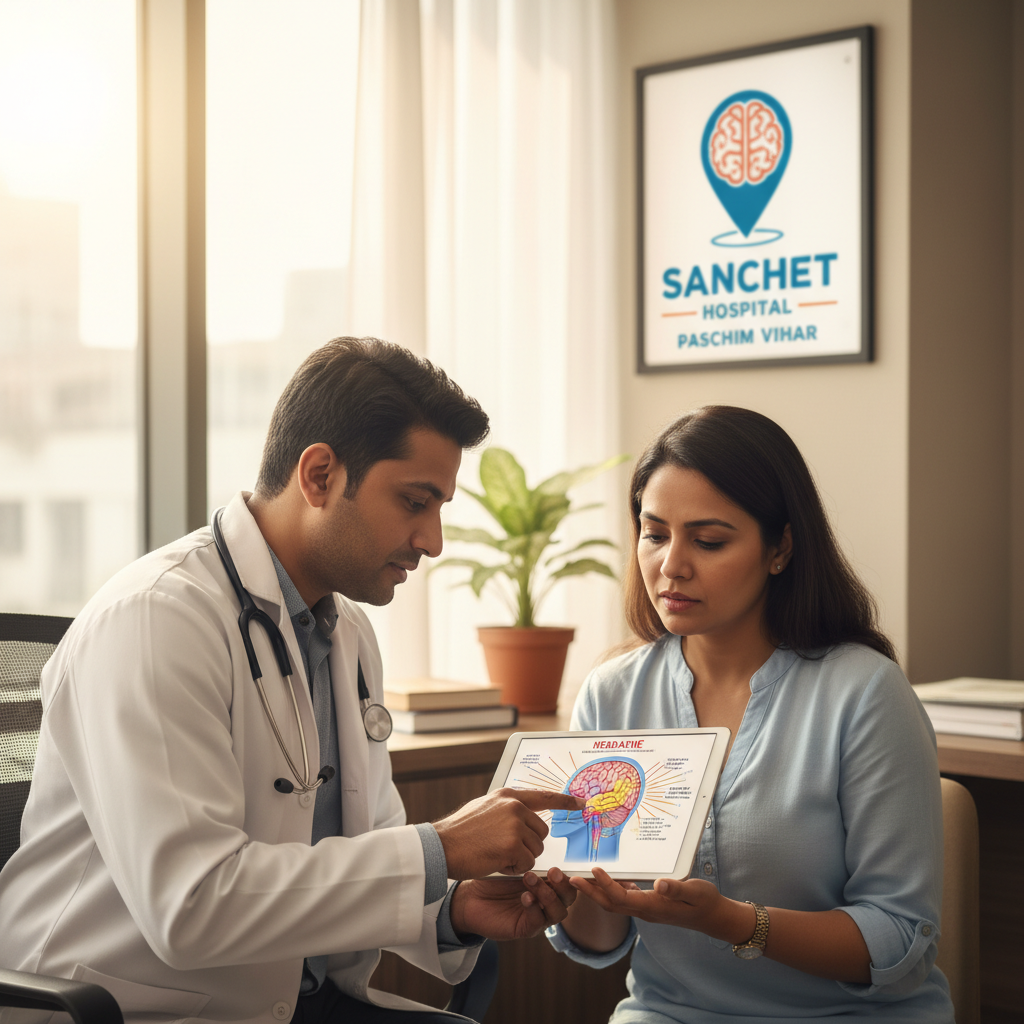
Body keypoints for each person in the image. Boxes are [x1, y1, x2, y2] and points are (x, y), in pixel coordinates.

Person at [0, 337, 582, 1024]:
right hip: (130, 1007)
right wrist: (442, 848)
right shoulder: (155, 619)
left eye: (439, 509)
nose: (433, 540)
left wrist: (451, 911)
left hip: (299, 999)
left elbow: (365, 854)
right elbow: (193, 905)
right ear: (319, 475)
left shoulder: (346, 633)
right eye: (414, 502)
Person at [544, 406, 954, 1023]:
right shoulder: (612, 694)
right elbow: (600, 941)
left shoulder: (866, 693)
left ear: (779, 548)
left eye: (708, 541)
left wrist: (732, 921)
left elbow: (900, 940)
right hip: (669, 1012)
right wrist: (567, 885)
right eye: (654, 534)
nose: (671, 565)